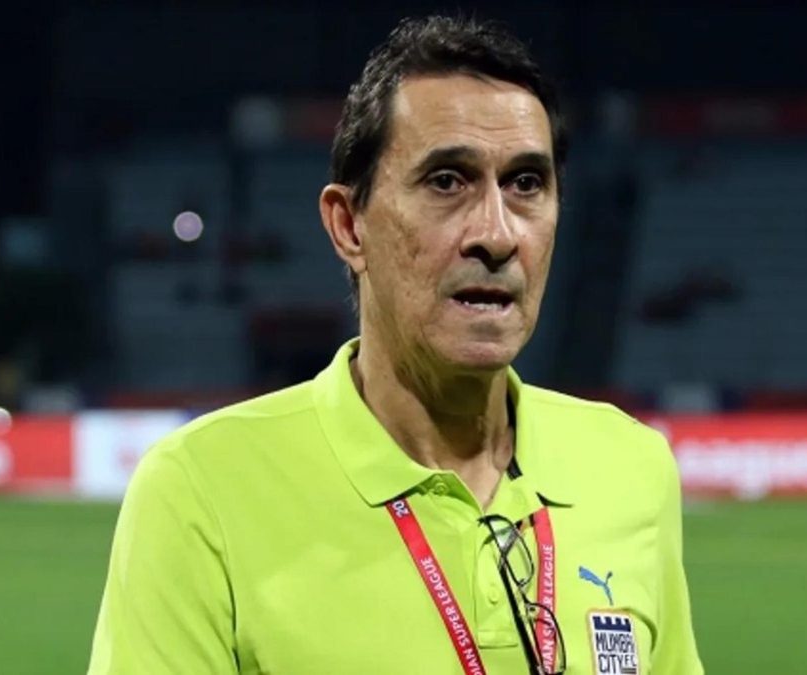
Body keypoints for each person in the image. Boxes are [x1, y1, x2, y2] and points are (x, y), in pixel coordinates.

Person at [88, 15, 703, 675]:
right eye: (447, 182)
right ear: (349, 226)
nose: (497, 235)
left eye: (526, 183)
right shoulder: (201, 491)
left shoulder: (631, 467)